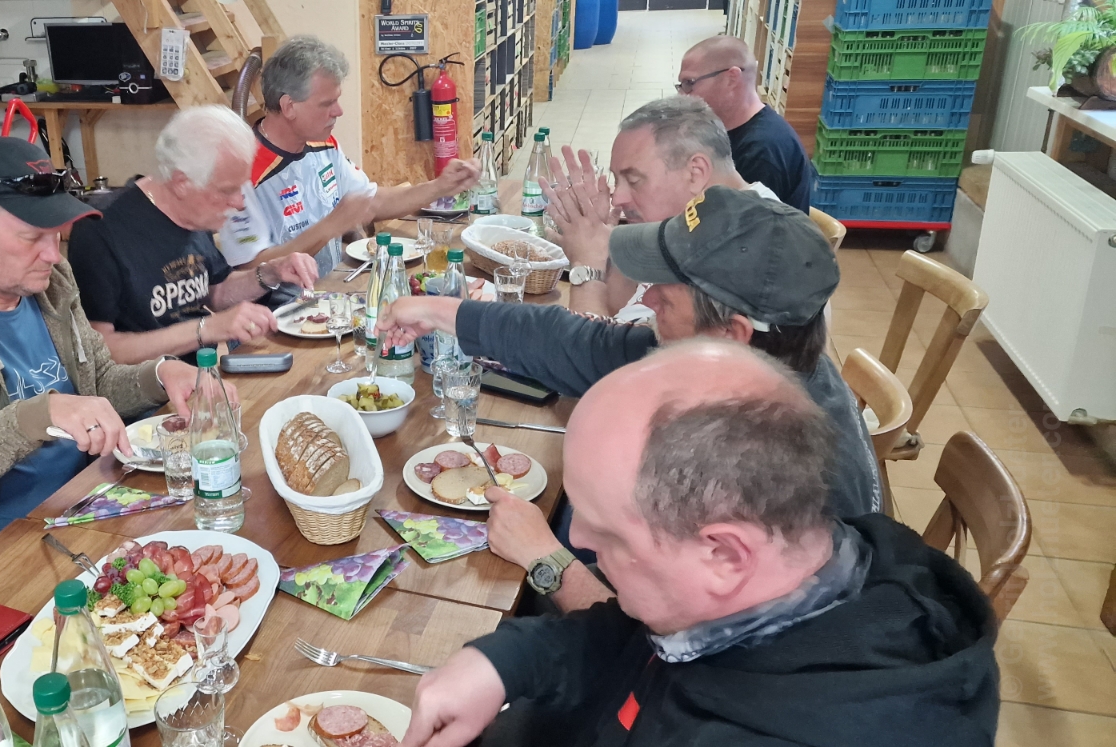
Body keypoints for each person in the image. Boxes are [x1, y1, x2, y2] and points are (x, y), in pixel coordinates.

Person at [401, 339, 1000, 747]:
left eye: (607, 532)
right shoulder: (811, 568)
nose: (575, 537)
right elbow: (633, 639)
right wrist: (504, 663)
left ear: (724, 555)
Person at [378, 186, 881, 612]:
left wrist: (547, 560)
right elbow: (578, 343)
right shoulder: (753, 370)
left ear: (731, 334)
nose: (649, 297)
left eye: (668, 292)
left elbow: (663, 654)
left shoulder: (783, 487)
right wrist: (440, 312)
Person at [0, 136, 222, 601]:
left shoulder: (49, 281)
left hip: (85, 506)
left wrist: (160, 375)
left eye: (55, 235)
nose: (52, 253)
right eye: (32, 237)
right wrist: (36, 417)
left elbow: (97, 382)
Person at [218, 36, 481, 288]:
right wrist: (331, 225)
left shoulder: (323, 144)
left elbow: (372, 201)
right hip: (278, 312)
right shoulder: (241, 171)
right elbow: (249, 270)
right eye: (327, 103)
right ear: (289, 107)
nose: (339, 111)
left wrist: (440, 186)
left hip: (331, 292)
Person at [69, 105, 320, 365]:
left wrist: (270, 273)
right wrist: (205, 329)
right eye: (227, 190)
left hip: (202, 373)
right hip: (146, 387)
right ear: (181, 183)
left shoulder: (196, 214)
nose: (239, 203)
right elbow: (101, 351)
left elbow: (217, 292)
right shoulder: (100, 228)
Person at [538, 96, 781, 320]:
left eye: (634, 180)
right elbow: (623, 310)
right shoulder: (695, 222)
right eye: (617, 180)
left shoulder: (734, 251)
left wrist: (586, 268)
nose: (618, 198)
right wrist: (605, 248)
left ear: (695, 172)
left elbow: (596, 351)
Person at [677, 35, 815, 212]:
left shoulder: (762, 152)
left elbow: (745, 225)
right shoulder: (728, 128)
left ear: (731, 79)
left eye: (689, 83)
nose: (683, 95)